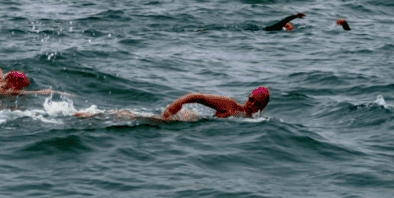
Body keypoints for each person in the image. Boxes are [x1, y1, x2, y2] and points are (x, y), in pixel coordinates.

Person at [75, 87, 270, 122]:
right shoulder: (230, 106)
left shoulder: (249, 121)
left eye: (257, 104)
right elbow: (195, 95)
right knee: (142, 118)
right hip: (188, 118)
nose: (252, 104)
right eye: (251, 99)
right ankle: (92, 115)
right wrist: (173, 108)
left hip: (193, 121)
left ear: (262, 108)